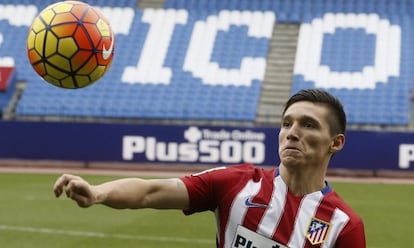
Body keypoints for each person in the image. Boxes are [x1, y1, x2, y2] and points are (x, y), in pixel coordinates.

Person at [53, 88, 366, 248]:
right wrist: (97, 193)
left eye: (308, 125)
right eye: (287, 123)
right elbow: (150, 191)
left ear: (335, 142)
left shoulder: (343, 225)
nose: (292, 132)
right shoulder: (237, 184)